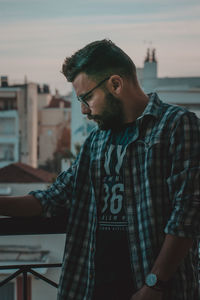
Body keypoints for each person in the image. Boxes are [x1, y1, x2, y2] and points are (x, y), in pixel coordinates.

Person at [0, 39, 200, 300]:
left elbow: (188, 212)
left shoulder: (177, 125)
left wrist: (155, 284)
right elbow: (54, 198)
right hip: (92, 287)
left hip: (156, 291)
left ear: (115, 84)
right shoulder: (96, 141)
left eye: (87, 98)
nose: (83, 110)